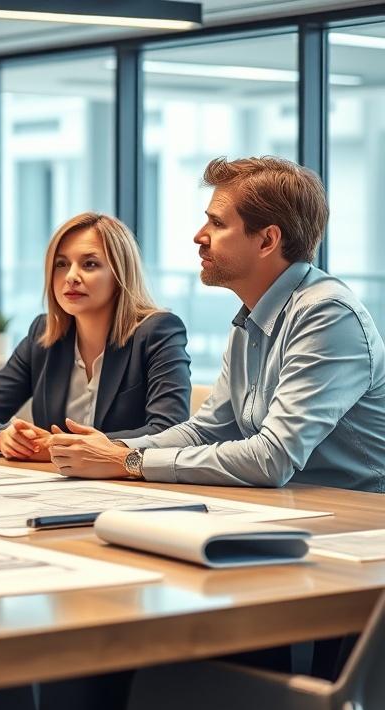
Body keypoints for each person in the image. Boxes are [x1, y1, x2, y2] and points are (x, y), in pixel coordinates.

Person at [48, 157, 385, 492]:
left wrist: (129, 462)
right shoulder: (250, 320)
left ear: (267, 241)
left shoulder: (326, 314)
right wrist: (113, 451)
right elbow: (206, 430)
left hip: (357, 518)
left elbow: (272, 458)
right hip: (290, 507)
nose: (199, 236)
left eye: (217, 224)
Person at [0, 212, 191, 460]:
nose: (71, 277)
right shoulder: (43, 335)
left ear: (120, 273)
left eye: (89, 264)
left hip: (131, 487)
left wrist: (63, 446)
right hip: (57, 487)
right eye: (61, 264)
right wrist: (3, 438)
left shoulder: (159, 332)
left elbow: (169, 432)